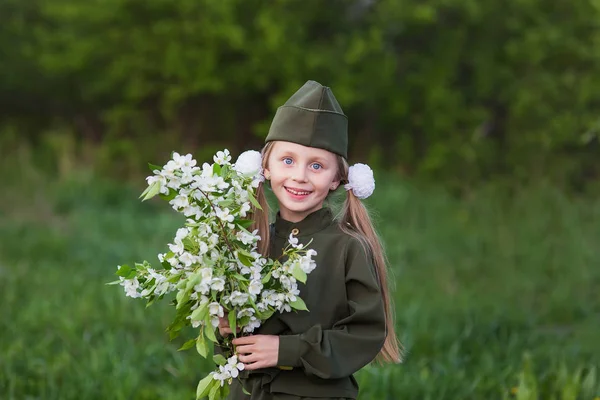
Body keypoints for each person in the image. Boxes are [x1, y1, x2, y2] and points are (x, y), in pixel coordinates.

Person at [216, 80, 401, 400]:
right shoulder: (245, 243)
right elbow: (232, 343)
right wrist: (224, 326)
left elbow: (365, 333)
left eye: (316, 165)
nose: (300, 175)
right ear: (265, 167)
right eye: (288, 160)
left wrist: (286, 351)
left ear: (337, 178)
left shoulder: (347, 248)